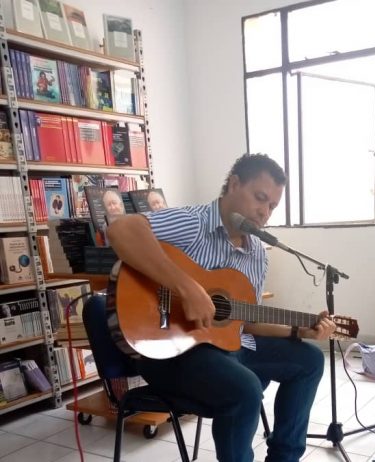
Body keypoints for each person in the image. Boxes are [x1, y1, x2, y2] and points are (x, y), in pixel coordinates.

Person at [107, 153, 336, 462]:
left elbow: (246, 320)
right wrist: (185, 286)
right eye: (260, 198)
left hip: (228, 347)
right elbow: (121, 229)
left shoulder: (257, 253)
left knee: (310, 360)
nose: (264, 212)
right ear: (234, 184)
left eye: (272, 206)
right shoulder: (194, 222)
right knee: (246, 389)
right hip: (172, 350)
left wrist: (299, 331)